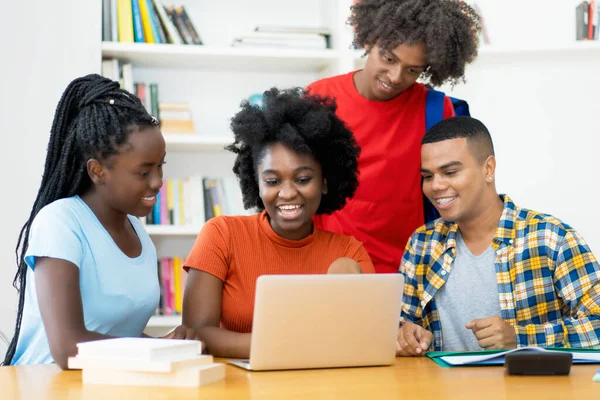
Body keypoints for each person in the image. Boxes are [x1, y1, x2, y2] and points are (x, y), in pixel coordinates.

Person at [2, 74, 201, 369]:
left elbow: (116, 337)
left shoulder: (138, 233)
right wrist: (152, 349)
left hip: (104, 385)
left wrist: (165, 344)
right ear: (97, 171)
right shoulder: (59, 223)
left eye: (161, 167)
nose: (159, 182)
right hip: (43, 387)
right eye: (143, 172)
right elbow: (68, 348)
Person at [182, 88, 375, 359]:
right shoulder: (222, 234)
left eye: (303, 179)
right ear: (256, 184)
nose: (287, 193)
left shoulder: (349, 253)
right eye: (273, 181)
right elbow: (196, 333)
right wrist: (294, 344)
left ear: (325, 183)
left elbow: (363, 338)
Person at [396, 116, 600, 355]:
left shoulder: (550, 238)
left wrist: (520, 338)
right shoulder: (421, 244)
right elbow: (401, 325)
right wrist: (406, 336)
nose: (435, 186)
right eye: (428, 176)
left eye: (450, 172)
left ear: (488, 169)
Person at [306, 0, 481, 273]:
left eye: (413, 70)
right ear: (368, 41)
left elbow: (455, 192)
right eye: (389, 58)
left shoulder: (435, 109)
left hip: (409, 272)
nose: (396, 76)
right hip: (331, 267)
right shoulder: (320, 98)